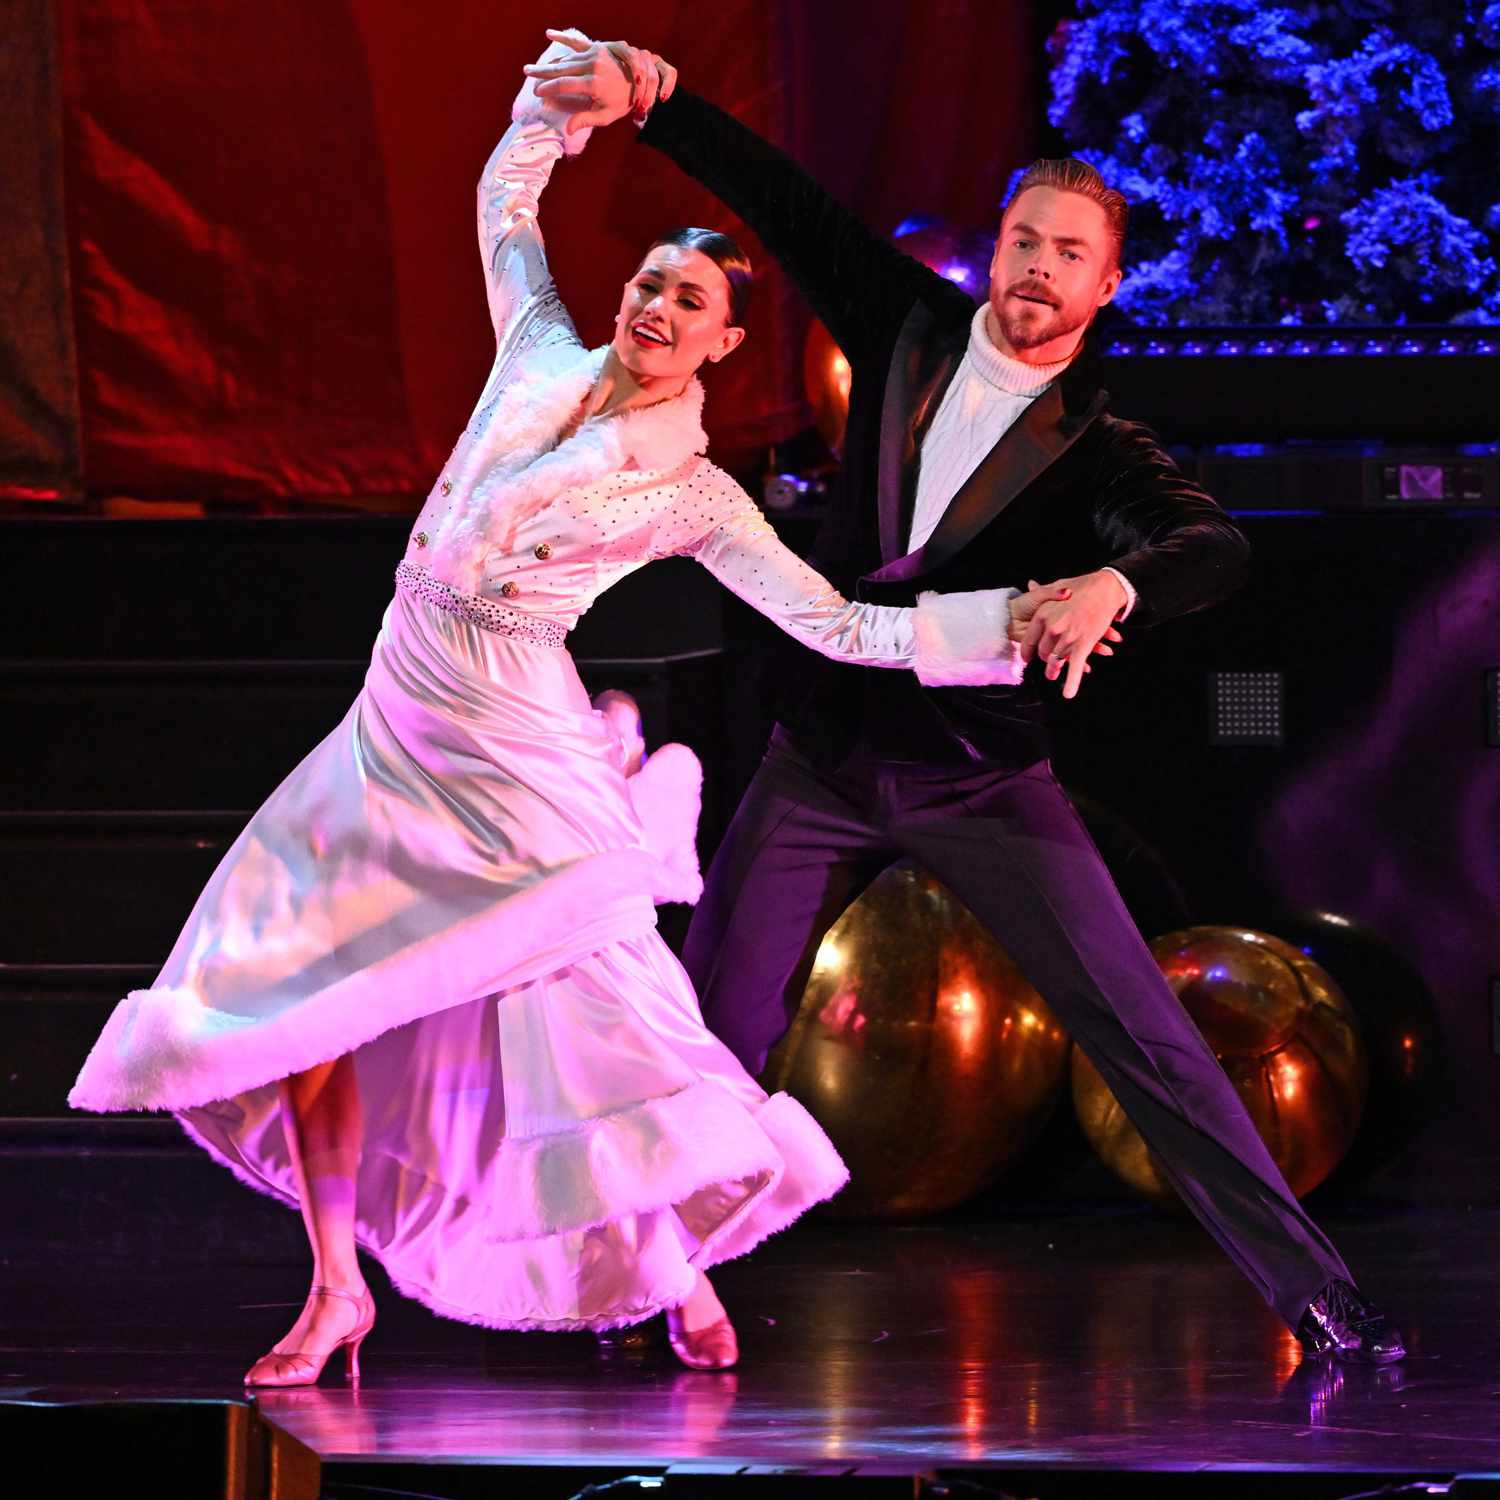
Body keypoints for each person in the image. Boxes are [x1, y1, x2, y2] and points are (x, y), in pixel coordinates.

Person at [67, 32, 1081, 1382]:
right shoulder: (537, 352)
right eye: (653, 284)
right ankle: (333, 1290)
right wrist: (566, 102)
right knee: (299, 1008)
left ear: (724, 345)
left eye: (691, 303)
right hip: (390, 736)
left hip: (517, 767)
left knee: (597, 1037)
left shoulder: (691, 493)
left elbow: (836, 623)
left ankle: (676, 1266)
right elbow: (504, 203)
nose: (661, 309)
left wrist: (1001, 628)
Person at [523, 31, 1407, 1364]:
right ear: (996, 253)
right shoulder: (910, 327)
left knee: (1146, 1035)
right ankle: (634, 1281)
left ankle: (1314, 1293)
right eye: (1024, 241)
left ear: (1104, 288)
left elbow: (1208, 545)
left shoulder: (1098, 447)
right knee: (714, 1026)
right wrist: (660, 102)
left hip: (982, 781)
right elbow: (789, 202)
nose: (1038, 267)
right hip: (822, 763)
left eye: (1068, 254)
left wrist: (1120, 588)